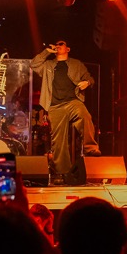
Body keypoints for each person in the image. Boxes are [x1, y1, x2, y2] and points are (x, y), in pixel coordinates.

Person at [30, 40, 99, 186]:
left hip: (72, 101)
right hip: (54, 105)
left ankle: (91, 149)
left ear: (68, 49)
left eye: (61, 44)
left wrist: (87, 82)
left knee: (84, 115)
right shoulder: (48, 65)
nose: (58, 45)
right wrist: (47, 52)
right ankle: (63, 172)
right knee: (58, 139)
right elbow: (34, 64)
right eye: (57, 44)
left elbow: (90, 78)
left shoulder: (76, 64)